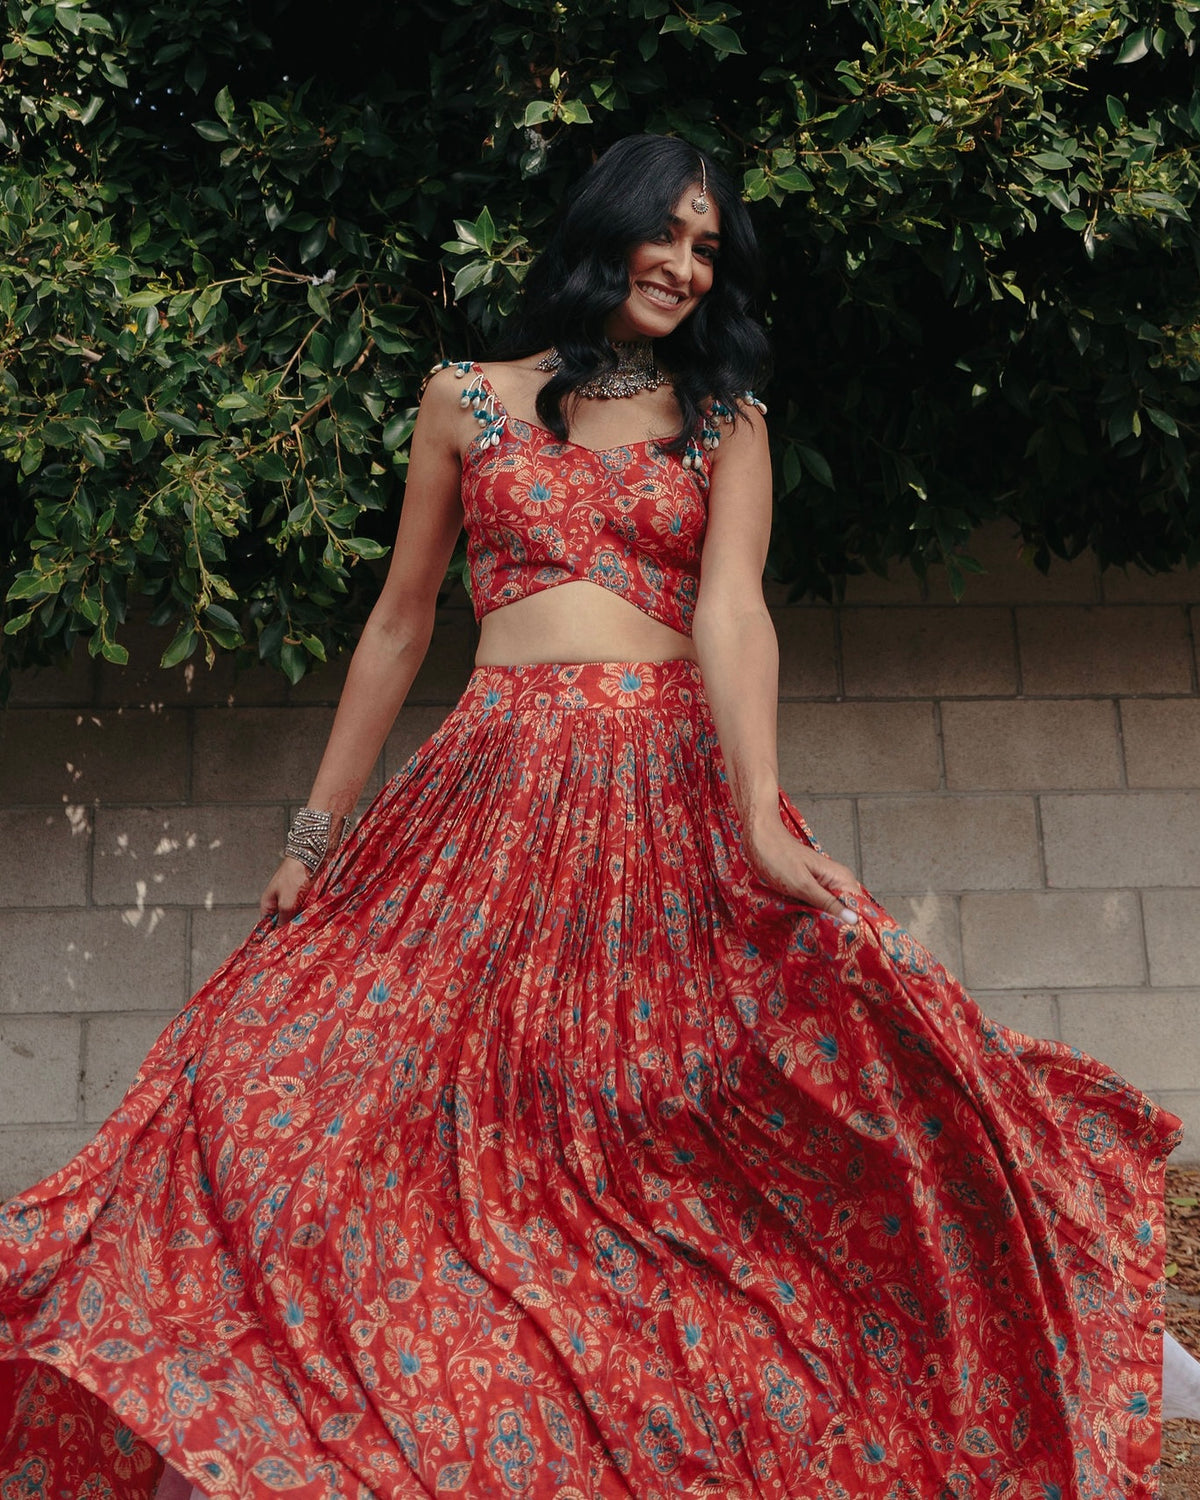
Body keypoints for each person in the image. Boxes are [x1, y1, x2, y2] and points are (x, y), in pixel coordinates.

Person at [0, 132, 1196, 1500]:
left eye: (709, 249)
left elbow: (732, 612)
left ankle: (1099, 1329)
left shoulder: (726, 420)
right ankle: (297, 1425)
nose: (687, 268)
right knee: (293, 1096)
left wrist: (756, 812)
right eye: (669, 236)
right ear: (605, 229)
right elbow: (398, 626)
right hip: (488, 796)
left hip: (672, 799)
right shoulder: (467, 400)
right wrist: (311, 838)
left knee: (843, 1061)